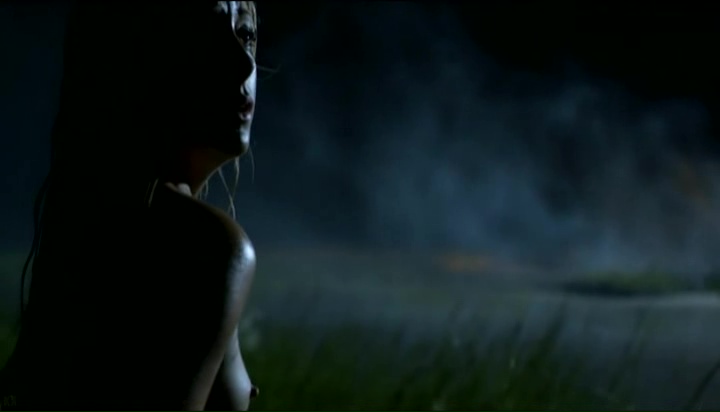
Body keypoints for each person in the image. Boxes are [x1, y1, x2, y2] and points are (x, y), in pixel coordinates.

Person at [0, 1, 260, 409]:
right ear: (139, 54)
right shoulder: (205, 249)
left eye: (245, 34)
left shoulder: (89, 224)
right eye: (204, 35)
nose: (244, 62)